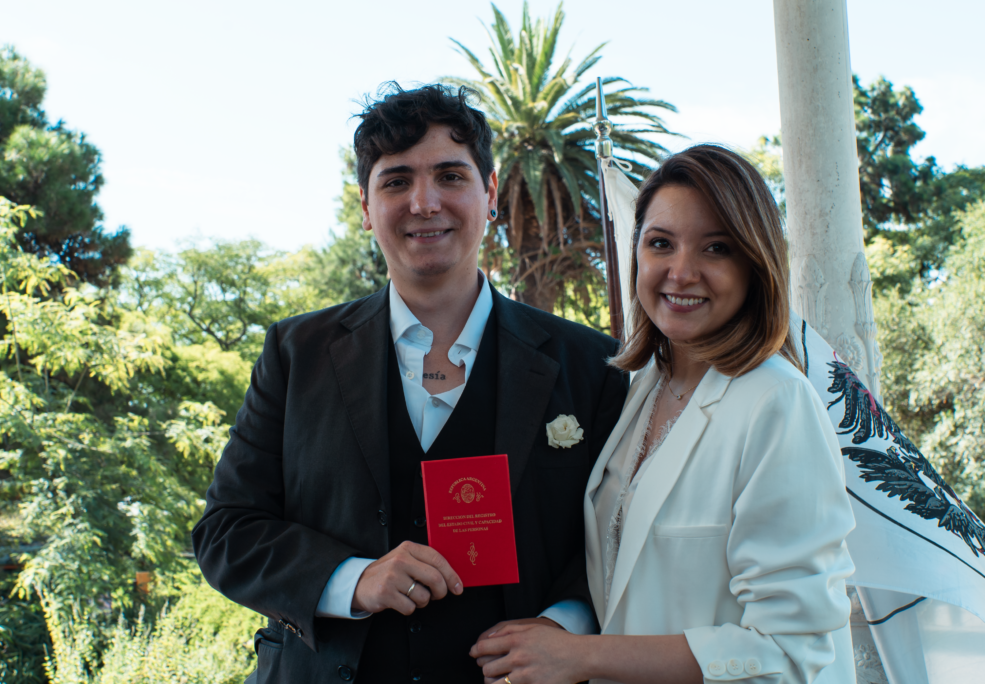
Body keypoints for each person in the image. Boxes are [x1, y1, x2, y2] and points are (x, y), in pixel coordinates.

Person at [191, 83, 628, 684]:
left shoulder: (592, 364)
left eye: (450, 175)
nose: (425, 202)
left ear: (490, 192)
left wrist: (564, 625)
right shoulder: (296, 356)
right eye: (396, 181)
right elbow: (227, 531)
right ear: (366, 208)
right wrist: (351, 578)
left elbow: (619, 533)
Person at [471, 144, 857, 684]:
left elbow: (790, 650)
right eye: (661, 244)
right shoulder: (637, 390)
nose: (682, 271)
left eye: (716, 248)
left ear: (755, 264)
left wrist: (583, 658)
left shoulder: (777, 404)